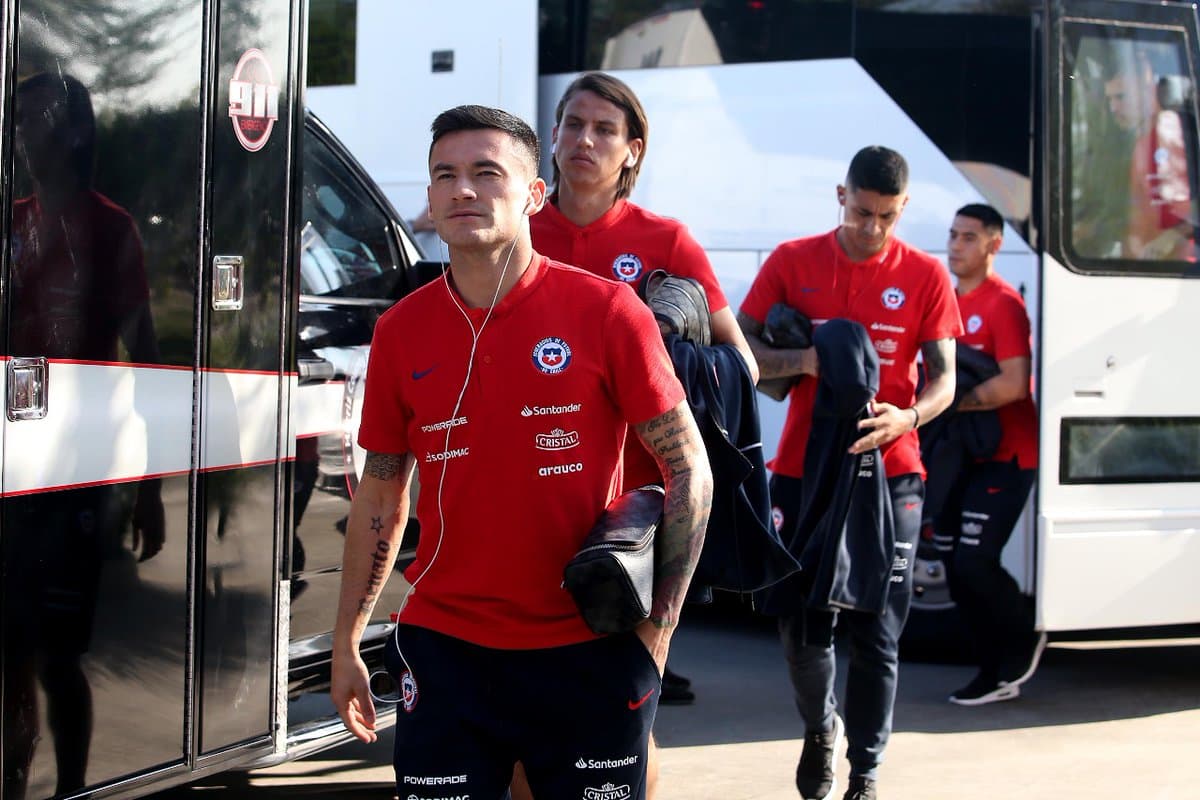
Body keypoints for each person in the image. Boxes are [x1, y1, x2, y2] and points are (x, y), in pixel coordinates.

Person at [329, 104, 713, 800]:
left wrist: (658, 630)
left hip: (587, 649)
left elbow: (690, 468)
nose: (462, 190)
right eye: (444, 175)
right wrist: (347, 638)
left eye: (485, 172)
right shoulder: (401, 331)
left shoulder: (606, 312)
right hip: (447, 652)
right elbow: (383, 493)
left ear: (536, 194)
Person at [737, 146, 961, 800]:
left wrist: (909, 417)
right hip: (805, 475)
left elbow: (944, 380)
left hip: (893, 480)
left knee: (878, 629)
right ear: (841, 195)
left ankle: (865, 771)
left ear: (903, 209)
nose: (872, 229)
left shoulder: (924, 275)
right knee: (804, 622)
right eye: (862, 212)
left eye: (886, 217)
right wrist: (806, 359)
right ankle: (820, 728)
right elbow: (741, 346)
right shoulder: (792, 261)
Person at [530, 70, 758, 705]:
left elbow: (742, 364)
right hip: (530, 493)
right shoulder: (517, 234)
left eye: (605, 129)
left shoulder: (665, 241)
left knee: (617, 710)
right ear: (552, 136)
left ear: (633, 151)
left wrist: (669, 347)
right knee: (529, 710)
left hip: (630, 511)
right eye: (573, 124)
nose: (585, 139)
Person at [3, 71, 164, 799]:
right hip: (10, 474)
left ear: (72, 131)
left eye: (33, 120)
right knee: (8, 651)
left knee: (59, 658)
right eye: (16, 122)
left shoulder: (110, 227)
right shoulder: (12, 223)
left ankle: (71, 788)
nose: (20, 135)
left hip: (76, 481)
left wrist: (150, 486)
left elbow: (148, 363)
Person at [938, 203, 1044, 705]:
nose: (956, 246)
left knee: (976, 562)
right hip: (965, 458)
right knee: (957, 565)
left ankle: (1019, 645)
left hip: (1010, 456)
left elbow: (1015, 383)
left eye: (969, 238)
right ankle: (990, 667)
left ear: (994, 246)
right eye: (953, 236)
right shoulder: (949, 298)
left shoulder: (1003, 303)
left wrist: (953, 403)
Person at [1102, 45, 1194, 260]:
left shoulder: (1169, 132)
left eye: (1121, 97)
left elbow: (1189, 212)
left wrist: (1168, 238)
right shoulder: (1138, 139)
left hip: (1167, 272)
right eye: (1110, 100)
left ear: (1146, 83)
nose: (1113, 108)